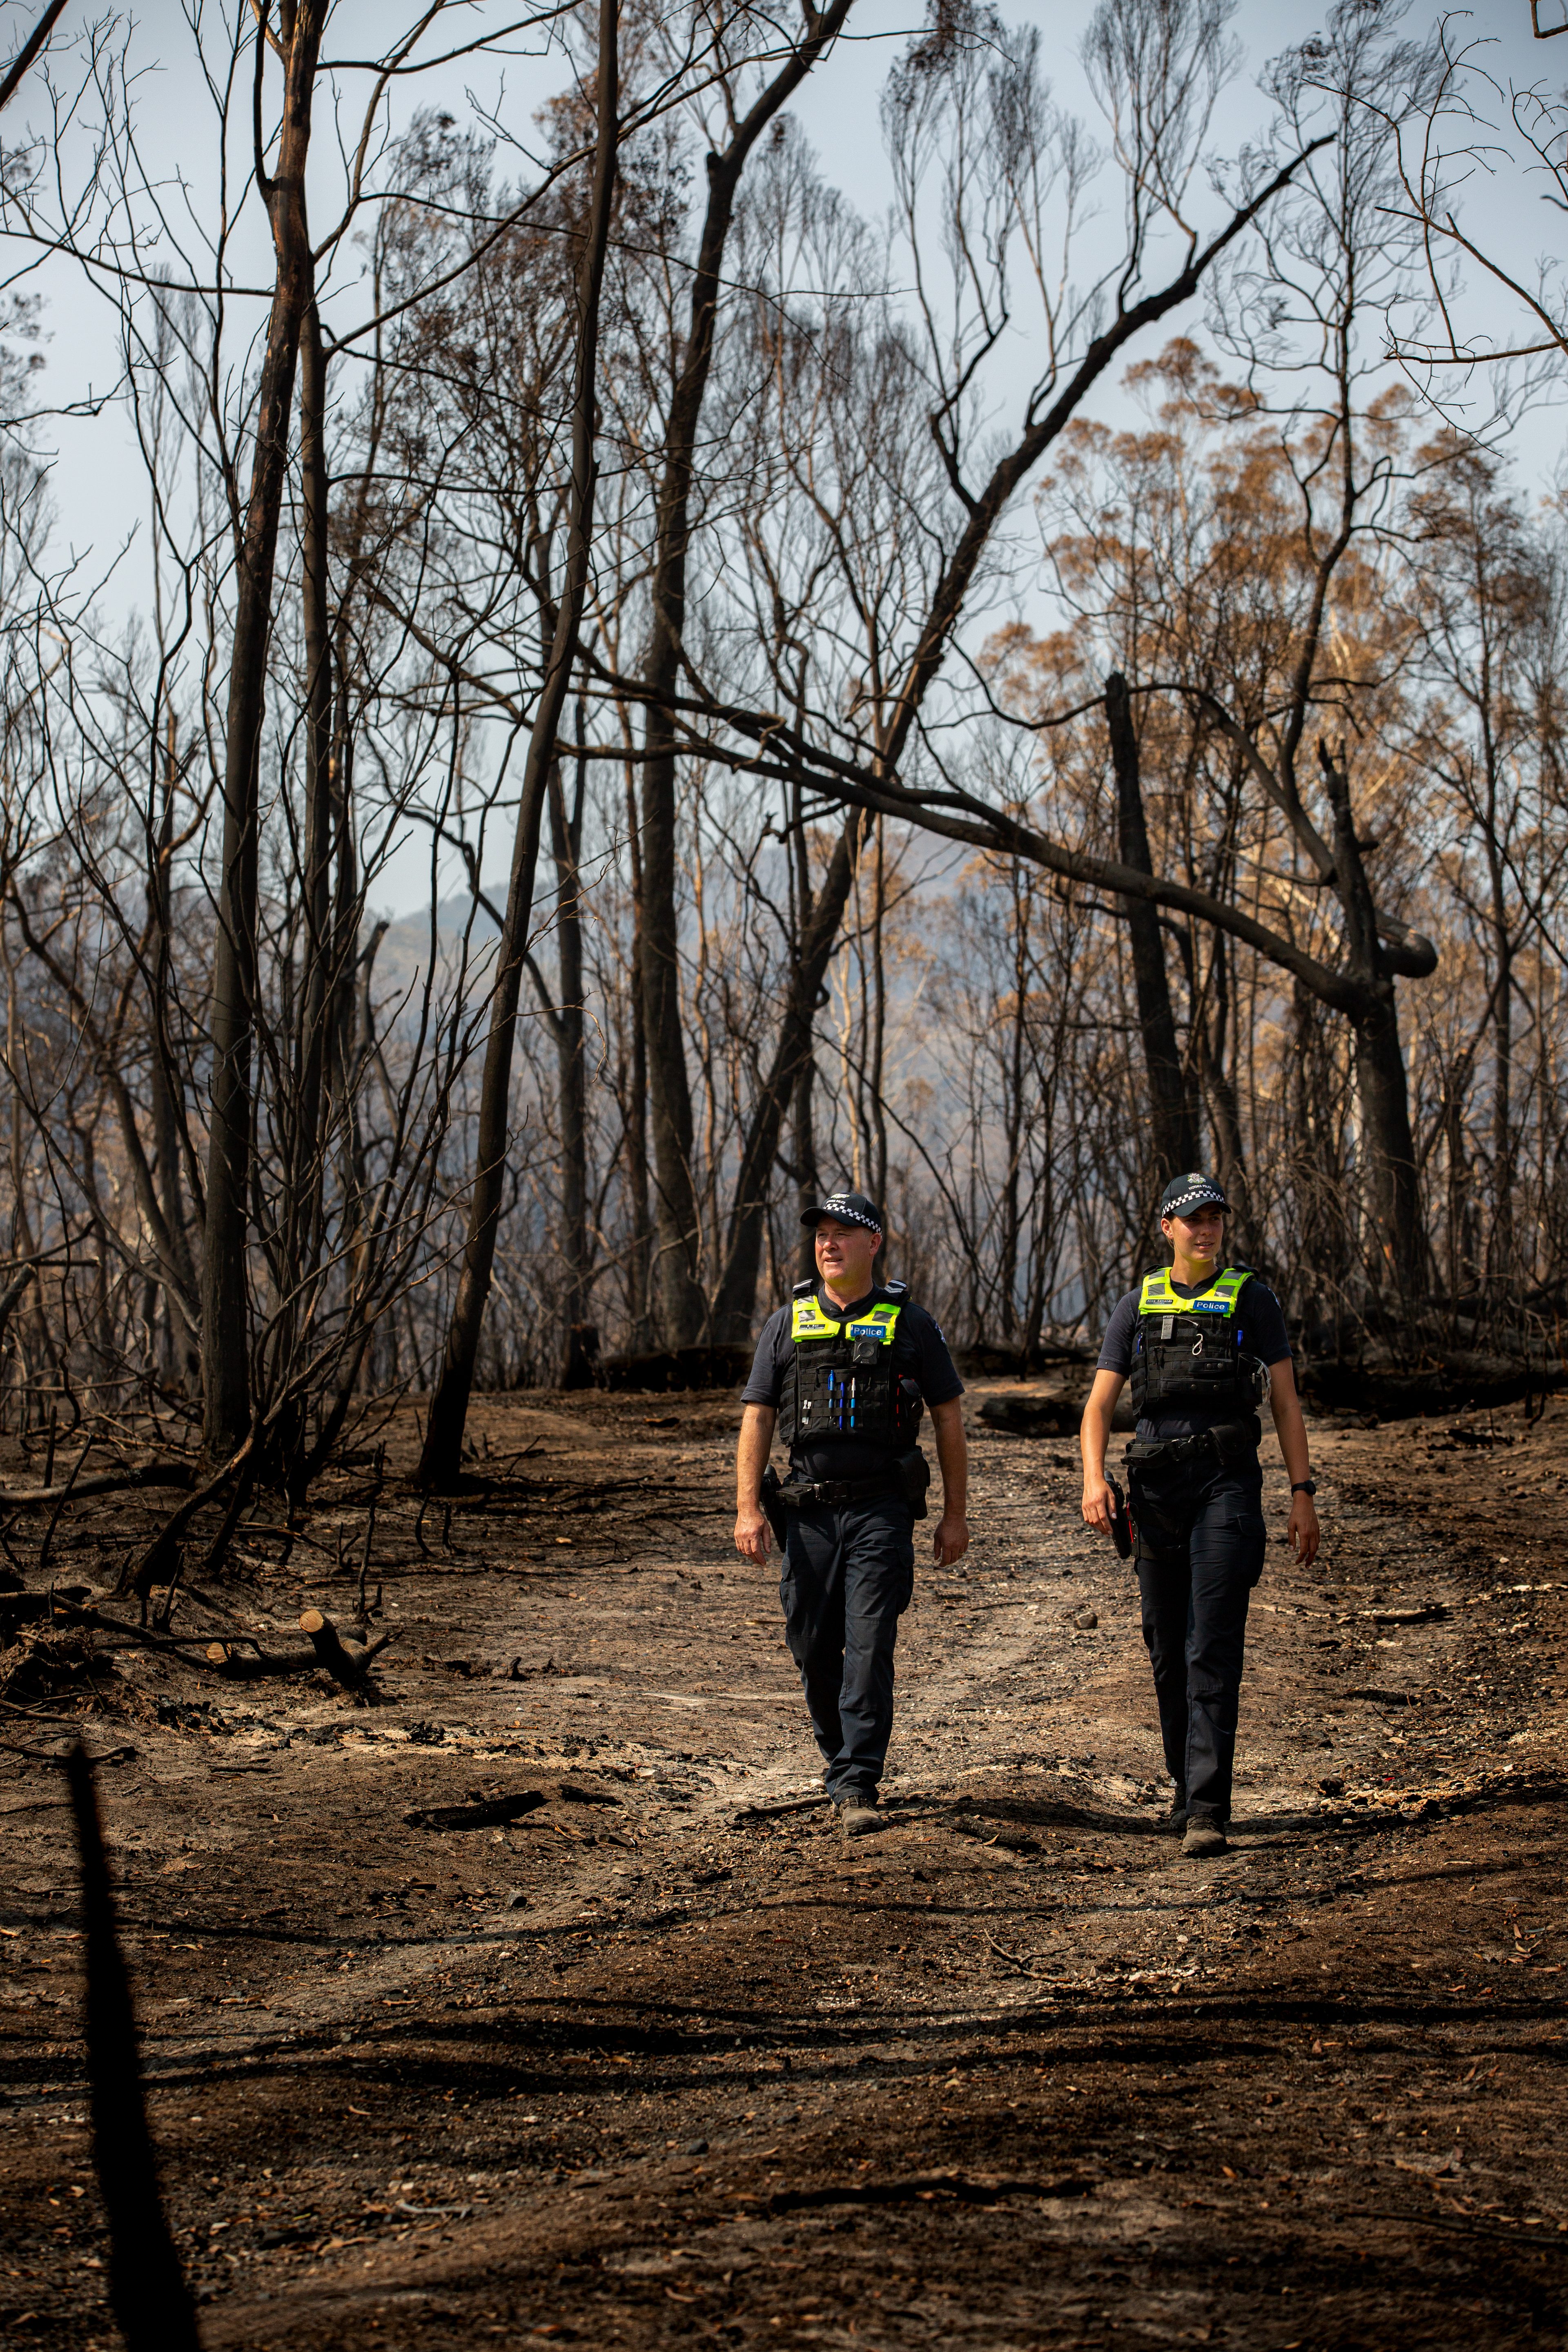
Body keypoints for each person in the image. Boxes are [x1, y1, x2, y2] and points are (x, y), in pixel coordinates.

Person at [1079, 1173, 1320, 1860]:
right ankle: (1186, 1787)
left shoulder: (1254, 1300)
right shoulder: (1136, 1306)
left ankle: (1209, 1807)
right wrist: (1093, 1478)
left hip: (1226, 1486)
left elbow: (1286, 1403)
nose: (1206, 1229)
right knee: (1165, 1651)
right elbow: (1099, 1406)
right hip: (1155, 1493)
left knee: (1211, 1643)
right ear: (1167, 1228)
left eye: (1215, 1218)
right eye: (1192, 1219)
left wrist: (1302, 1493)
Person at [734, 1190, 969, 1838]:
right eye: (821, 1235)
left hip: (880, 1512)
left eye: (844, 1233)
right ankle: (841, 1761)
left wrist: (956, 1515)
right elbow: (757, 1416)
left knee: (868, 1647)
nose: (830, 1244)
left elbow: (948, 1417)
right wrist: (747, 1507)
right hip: (805, 1514)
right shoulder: (787, 1324)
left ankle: (858, 1782)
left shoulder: (911, 1323)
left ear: (875, 1244)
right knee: (813, 1645)